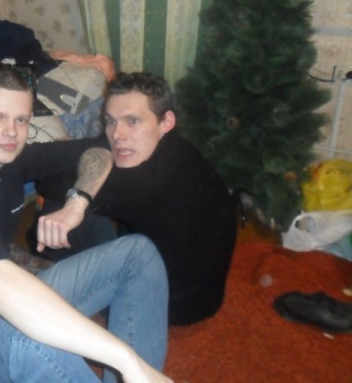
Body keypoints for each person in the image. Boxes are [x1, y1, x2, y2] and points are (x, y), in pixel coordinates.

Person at [0, 62, 172, 383]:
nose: (11, 132)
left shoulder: (8, 159)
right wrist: (126, 360)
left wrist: (77, 203)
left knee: (137, 254)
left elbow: (100, 149)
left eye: (21, 120)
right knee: (28, 343)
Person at [33, 72, 237, 326]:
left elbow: (48, 181)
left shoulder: (148, 181)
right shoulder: (172, 148)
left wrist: (71, 157)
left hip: (164, 306)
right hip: (201, 294)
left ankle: (52, 275)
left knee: (68, 200)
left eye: (133, 121)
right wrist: (79, 152)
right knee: (88, 182)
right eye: (111, 121)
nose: (117, 134)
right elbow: (98, 148)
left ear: (166, 121)